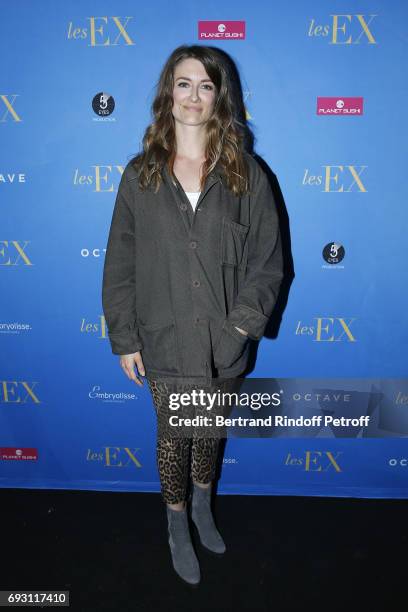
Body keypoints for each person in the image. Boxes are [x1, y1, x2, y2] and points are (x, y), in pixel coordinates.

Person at [102, 44, 284, 586]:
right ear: (168, 93)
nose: (194, 96)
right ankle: (176, 519)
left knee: (209, 431)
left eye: (206, 86)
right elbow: (120, 262)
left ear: (219, 98)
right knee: (173, 434)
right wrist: (124, 336)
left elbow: (267, 261)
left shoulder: (246, 173)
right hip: (163, 335)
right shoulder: (140, 175)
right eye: (184, 83)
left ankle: (203, 505)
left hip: (224, 339)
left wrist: (241, 326)